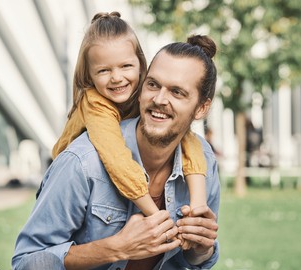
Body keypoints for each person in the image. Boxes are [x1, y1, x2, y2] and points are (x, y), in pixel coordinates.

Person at [12, 33, 220, 269]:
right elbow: (27, 261)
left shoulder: (203, 159)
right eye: (152, 85)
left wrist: (202, 249)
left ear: (202, 108)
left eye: (177, 92)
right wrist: (116, 248)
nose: (160, 99)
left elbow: (193, 261)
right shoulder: (82, 162)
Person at [51, 12, 207, 242]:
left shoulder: (142, 94)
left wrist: (198, 204)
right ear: (89, 75)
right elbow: (117, 160)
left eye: (125, 66)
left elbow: (187, 138)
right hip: (73, 186)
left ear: (140, 64)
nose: (116, 78)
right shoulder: (96, 104)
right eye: (104, 70)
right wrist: (159, 220)